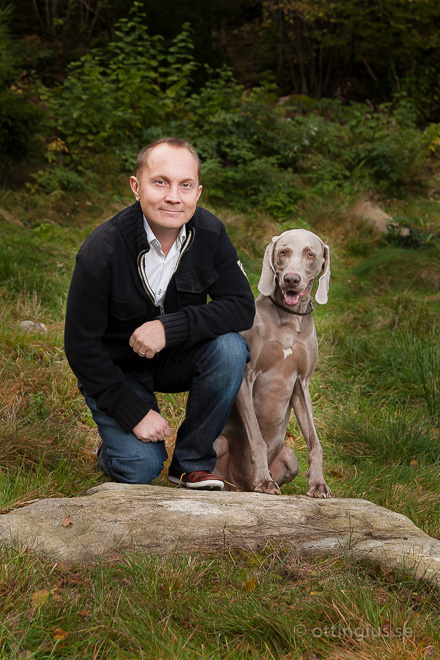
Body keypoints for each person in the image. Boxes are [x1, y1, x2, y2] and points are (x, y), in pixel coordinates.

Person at [64, 137, 255, 490]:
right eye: (160, 182)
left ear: (198, 192)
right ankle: (111, 451)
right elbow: (80, 347)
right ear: (136, 187)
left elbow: (242, 306)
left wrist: (170, 328)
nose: (173, 196)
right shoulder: (101, 250)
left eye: (185, 185)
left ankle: (192, 464)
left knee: (230, 349)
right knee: (139, 468)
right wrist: (131, 411)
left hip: (176, 358)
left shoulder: (210, 234)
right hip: (117, 370)